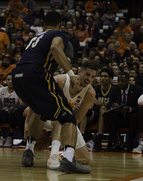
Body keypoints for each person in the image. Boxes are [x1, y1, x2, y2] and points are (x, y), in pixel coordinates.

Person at [12, 11, 92, 173]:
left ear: (44, 24)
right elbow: (55, 47)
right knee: (68, 115)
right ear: (60, 24)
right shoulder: (58, 34)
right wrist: (71, 75)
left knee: (37, 109)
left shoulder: (36, 37)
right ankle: (68, 158)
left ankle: (29, 150)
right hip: (36, 73)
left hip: (17, 75)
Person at [43, 61, 96, 169]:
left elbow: (76, 119)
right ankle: (53, 155)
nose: (89, 79)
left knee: (85, 159)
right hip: (46, 118)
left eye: (92, 77)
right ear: (80, 71)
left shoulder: (90, 93)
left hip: (65, 122)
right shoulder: (61, 80)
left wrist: (66, 137)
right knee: (63, 115)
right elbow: (39, 97)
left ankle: (61, 155)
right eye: (87, 74)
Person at [104, 72, 143, 152]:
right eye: (119, 80)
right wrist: (113, 106)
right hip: (119, 117)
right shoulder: (114, 89)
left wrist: (128, 109)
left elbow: (139, 107)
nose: (120, 83)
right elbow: (109, 105)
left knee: (135, 116)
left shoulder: (137, 90)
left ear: (128, 80)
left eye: (123, 80)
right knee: (107, 115)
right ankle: (115, 142)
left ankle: (130, 144)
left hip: (130, 118)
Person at [0, 73, 25, 147]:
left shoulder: (19, 90)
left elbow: (22, 105)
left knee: (14, 111)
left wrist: (20, 91)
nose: (10, 81)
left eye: (12, 80)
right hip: (5, 114)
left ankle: (10, 136)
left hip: (15, 116)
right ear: (6, 81)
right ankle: (1, 136)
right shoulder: (0, 90)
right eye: (8, 79)